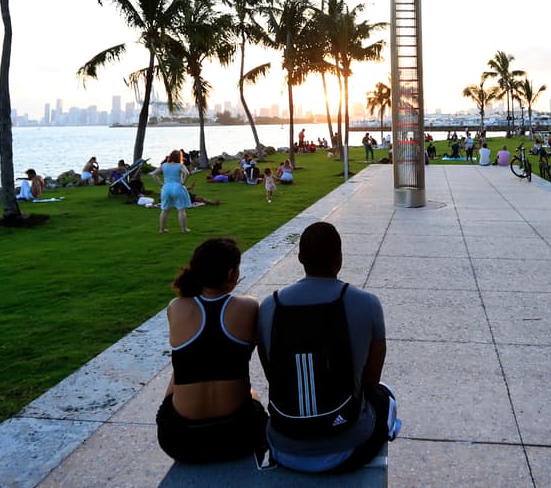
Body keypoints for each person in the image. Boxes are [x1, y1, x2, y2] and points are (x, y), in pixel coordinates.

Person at [257, 223, 398, 473]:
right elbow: (371, 382)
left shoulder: (270, 307)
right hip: (348, 447)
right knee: (386, 396)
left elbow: (273, 374)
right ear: (340, 259)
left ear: (300, 258)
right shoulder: (367, 304)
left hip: (283, 445)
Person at [156, 237, 267, 464]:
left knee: (181, 365)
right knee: (250, 390)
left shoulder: (176, 308)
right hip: (240, 436)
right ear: (230, 274)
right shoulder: (248, 306)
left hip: (179, 441)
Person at [152, 150, 192, 233]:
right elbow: (187, 173)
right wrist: (183, 182)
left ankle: (161, 229)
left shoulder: (164, 165)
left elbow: (154, 174)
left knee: (165, 209)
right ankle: (184, 229)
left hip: (166, 187)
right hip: (177, 187)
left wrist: (160, 184)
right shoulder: (180, 165)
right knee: (181, 209)